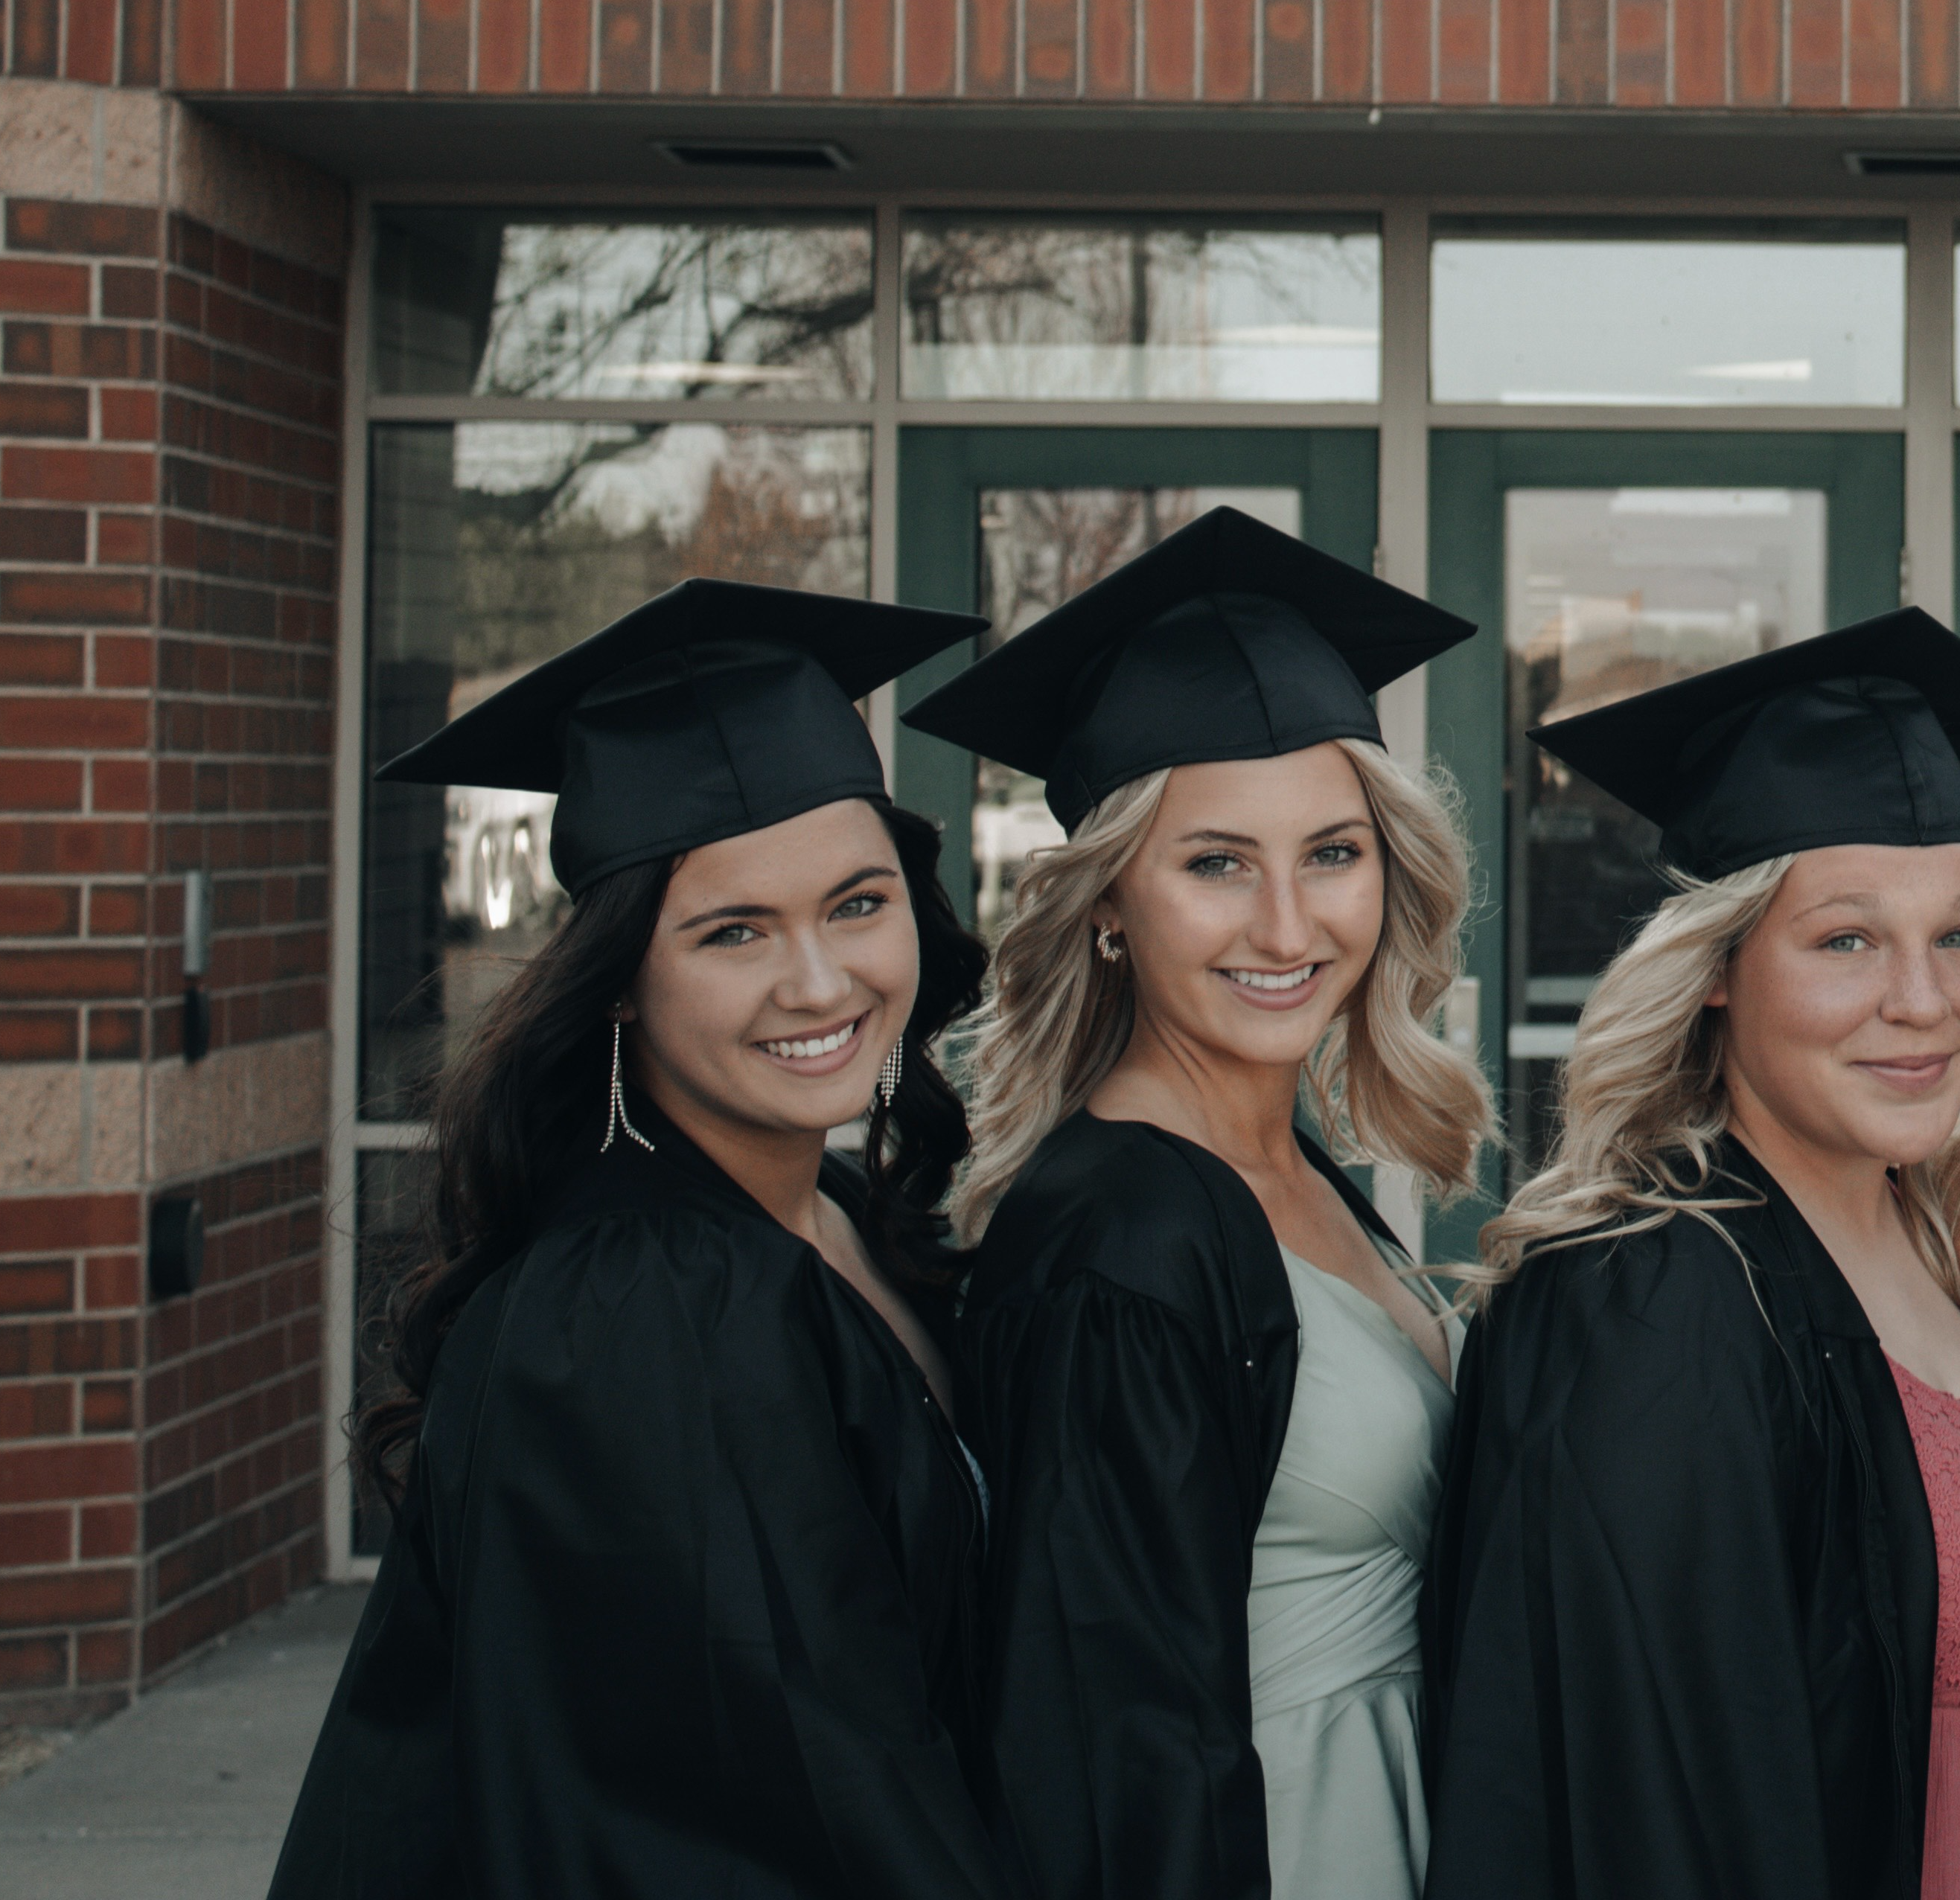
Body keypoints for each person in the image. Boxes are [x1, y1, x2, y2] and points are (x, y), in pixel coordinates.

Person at [272, 581, 1006, 1900]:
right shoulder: (643, 1308)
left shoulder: (834, 1216)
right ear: (619, 978)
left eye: (856, 903)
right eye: (734, 932)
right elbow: (759, 1814)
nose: (822, 982)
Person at [1423, 610, 1960, 1900]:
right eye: (1845, 940)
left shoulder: (1936, 1232)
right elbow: (1659, 1806)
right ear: (1719, 969)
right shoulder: (1656, 1296)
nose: (1922, 1000)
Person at [899, 510, 1490, 1900]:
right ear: (1111, 901)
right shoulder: (1119, 1245)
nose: (1290, 928)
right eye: (1217, 862)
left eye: (1333, 855)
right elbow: (1106, 1742)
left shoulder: (1283, 1172)